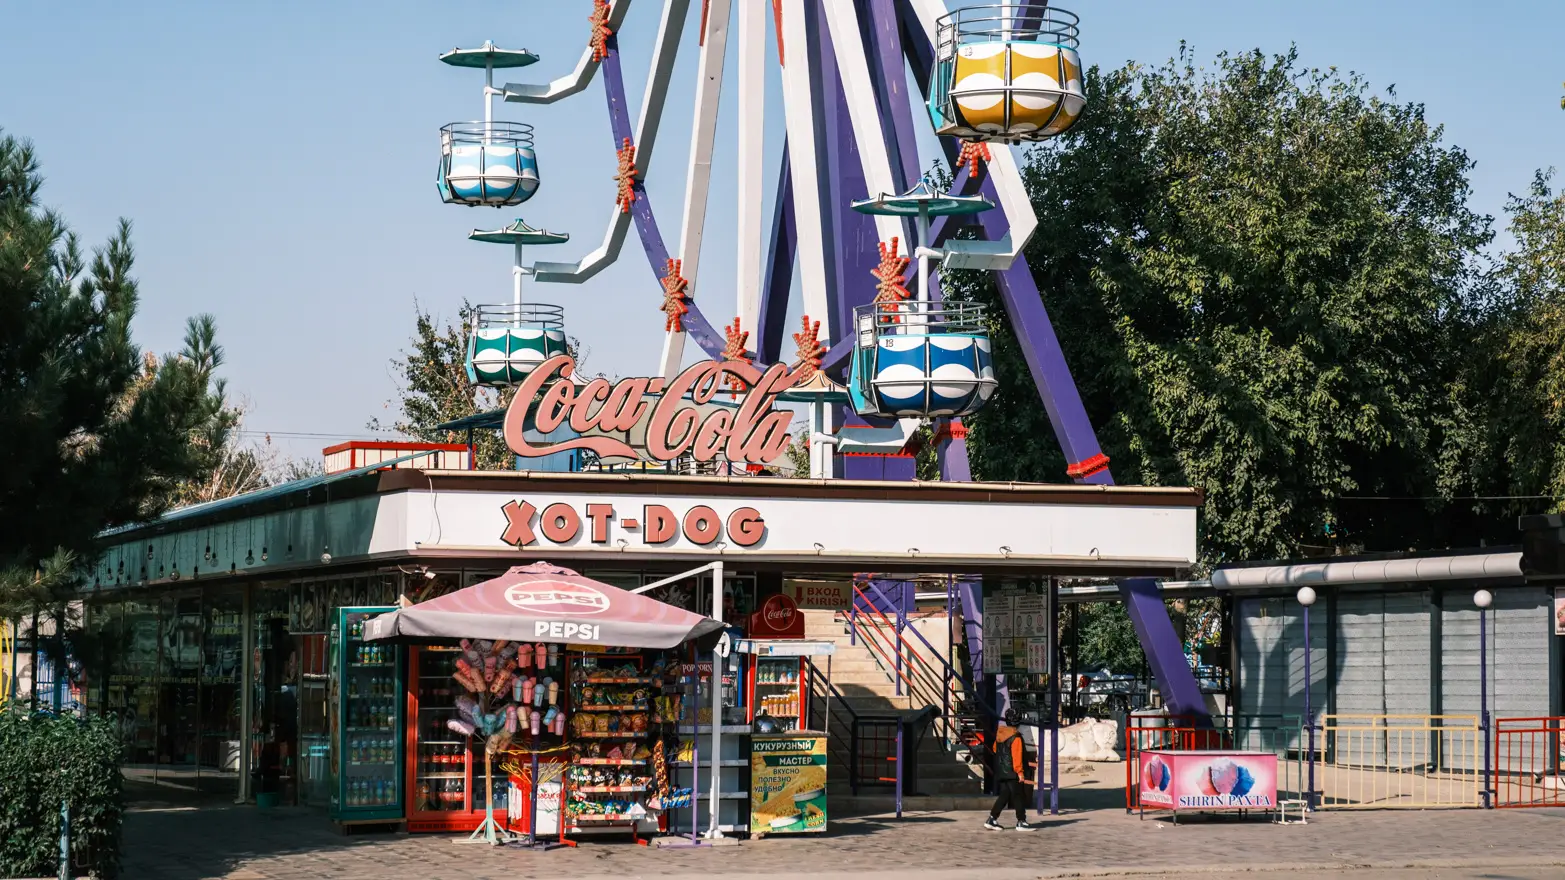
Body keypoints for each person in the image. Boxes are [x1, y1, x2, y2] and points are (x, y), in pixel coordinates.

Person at [984, 709, 1036, 831]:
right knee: (1018, 795)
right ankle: (1021, 821)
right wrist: (1020, 772)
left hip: (1002, 770)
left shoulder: (1000, 734)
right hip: (1013, 771)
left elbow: (995, 749)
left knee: (1005, 795)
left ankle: (992, 818)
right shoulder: (1016, 737)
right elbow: (1017, 756)